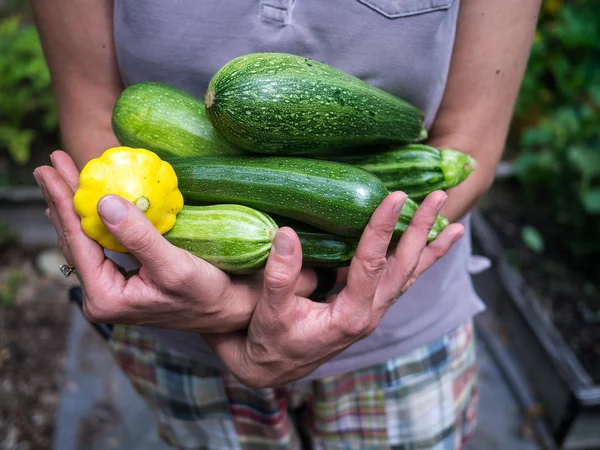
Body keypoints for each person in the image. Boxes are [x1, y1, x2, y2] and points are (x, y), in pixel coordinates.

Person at [31, 0, 541, 448]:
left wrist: (330, 282)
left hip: (398, 325)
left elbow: (471, 138)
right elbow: (95, 110)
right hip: (177, 312)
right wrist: (225, 308)